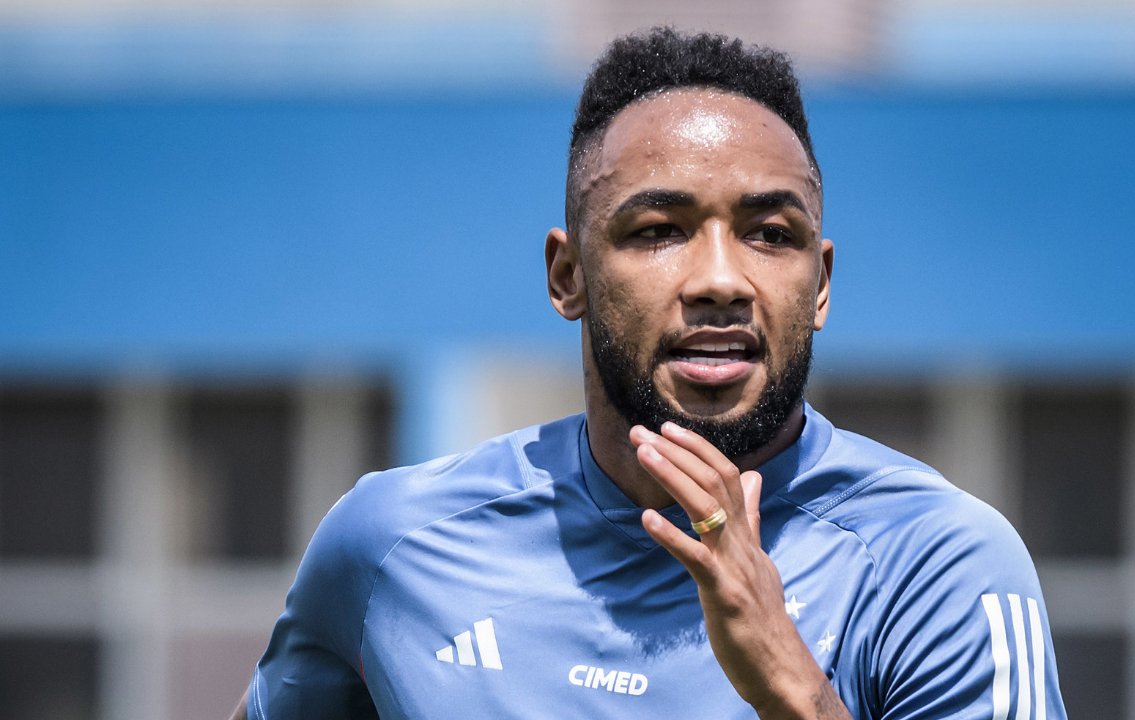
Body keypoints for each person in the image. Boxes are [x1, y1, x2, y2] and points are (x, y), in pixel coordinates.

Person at [231, 27, 1067, 719]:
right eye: (659, 229)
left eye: (771, 234)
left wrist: (791, 687)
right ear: (569, 278)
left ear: (820, 285)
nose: (720, 280)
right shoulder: (390, 546)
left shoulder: (940, 564)